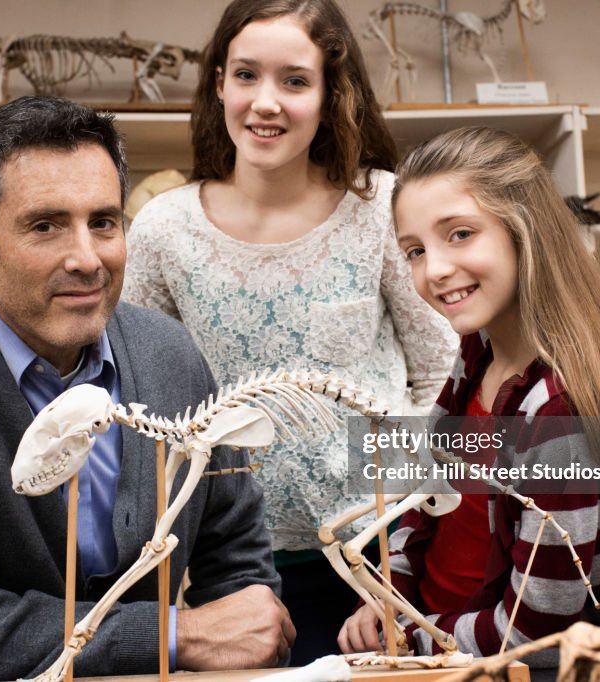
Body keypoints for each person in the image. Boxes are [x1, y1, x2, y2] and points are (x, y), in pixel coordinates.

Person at [0, 96, 294, 681]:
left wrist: (251, 631)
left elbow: (239, 566)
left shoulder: (171, 357)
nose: (87, 259)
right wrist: (174, 634)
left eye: (104, 222)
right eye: (46, 226)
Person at [122, 0, 457, 664]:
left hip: (386, 562)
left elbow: (444, 372)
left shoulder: (383, 207)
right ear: (219, 81)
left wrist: (410, 552)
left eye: (295, 81)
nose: (265, 102)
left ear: (332, 93)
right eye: (246, 75)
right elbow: (142, 401)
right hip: (237, 577)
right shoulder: (163, 231)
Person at [338, 126, 600, 666]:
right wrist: (386, 598)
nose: (434, 269)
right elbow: (428, 498)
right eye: (414, 250)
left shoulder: (562, 411)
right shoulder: (477, 353)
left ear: (526, 231)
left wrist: (411, 641)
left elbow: (540, 626)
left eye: (460, 234)